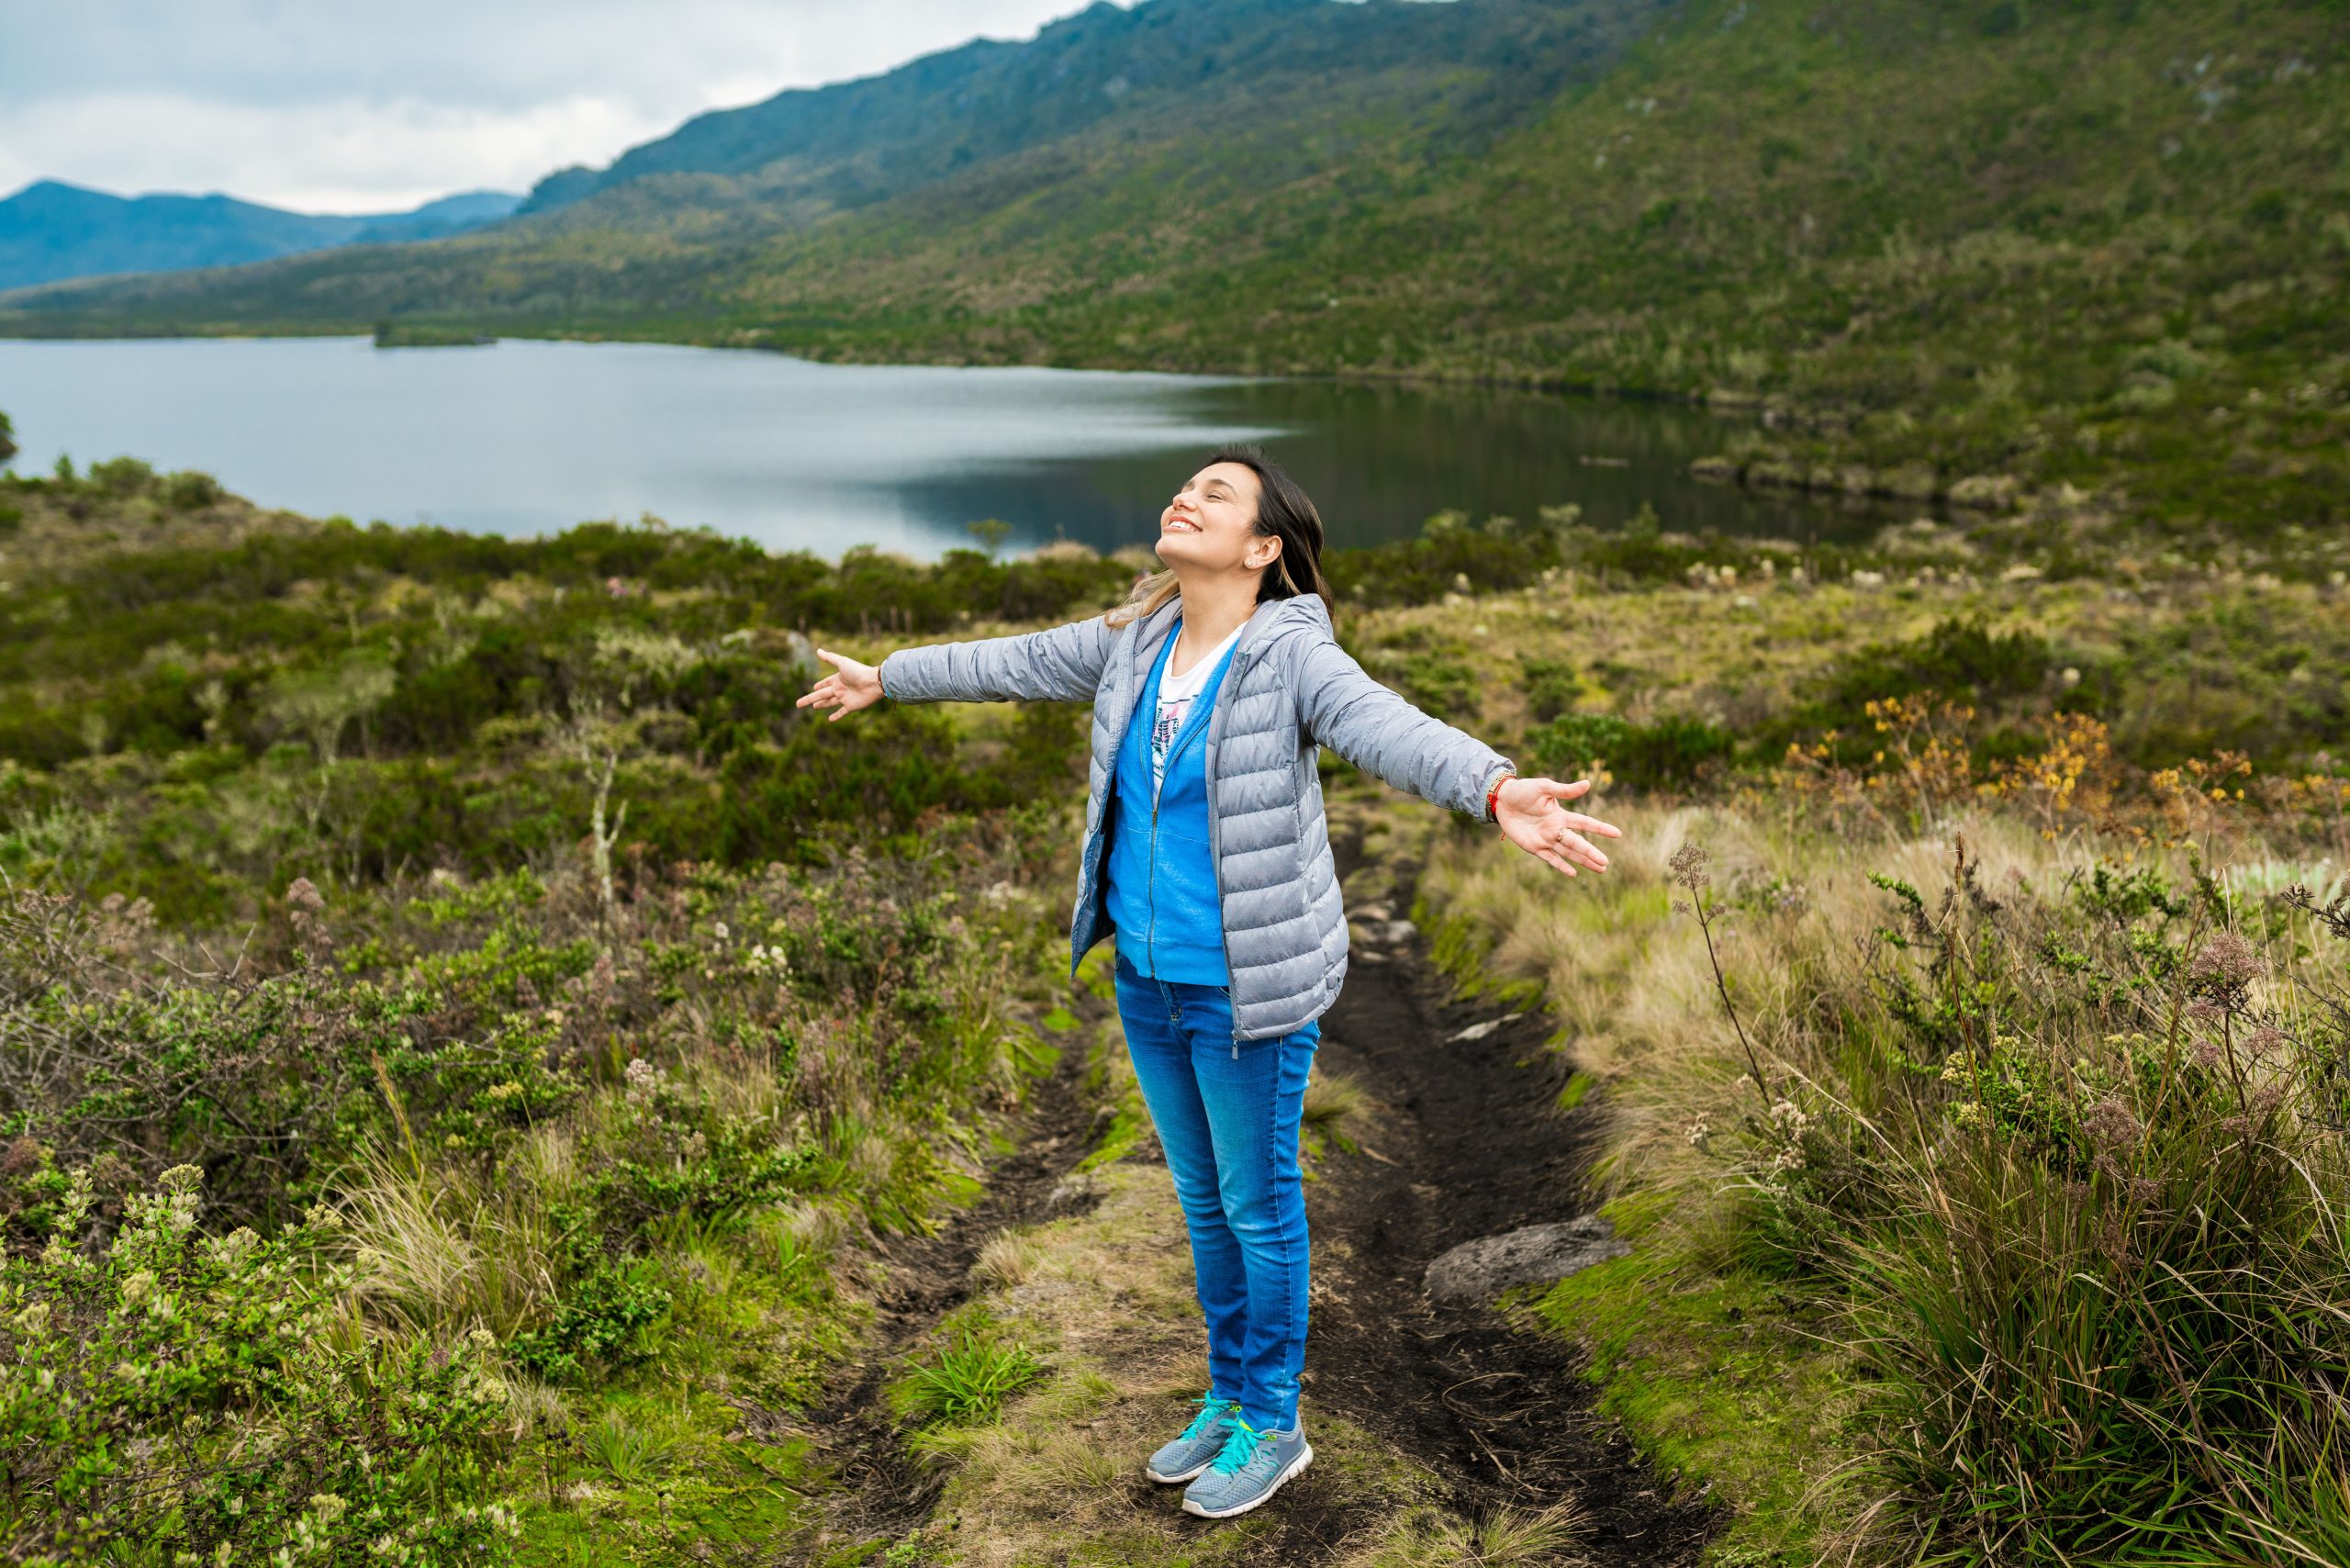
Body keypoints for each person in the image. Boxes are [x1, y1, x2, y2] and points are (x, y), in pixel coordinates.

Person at [796, 445, 1621, 1519]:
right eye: (1187, 485)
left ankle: (1274, 1422)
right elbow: (1013, 661)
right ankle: (1229, 1395)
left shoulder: (1292, 654)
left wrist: (1494, 787)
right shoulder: (1139, 637)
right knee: (1202, 1200)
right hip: (1147, 978)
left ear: (1262, 546)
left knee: (1257, 1204)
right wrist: (889, 676)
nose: (1186, 496)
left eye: (1215, 493)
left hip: (1246, 987)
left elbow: (1385, 726)